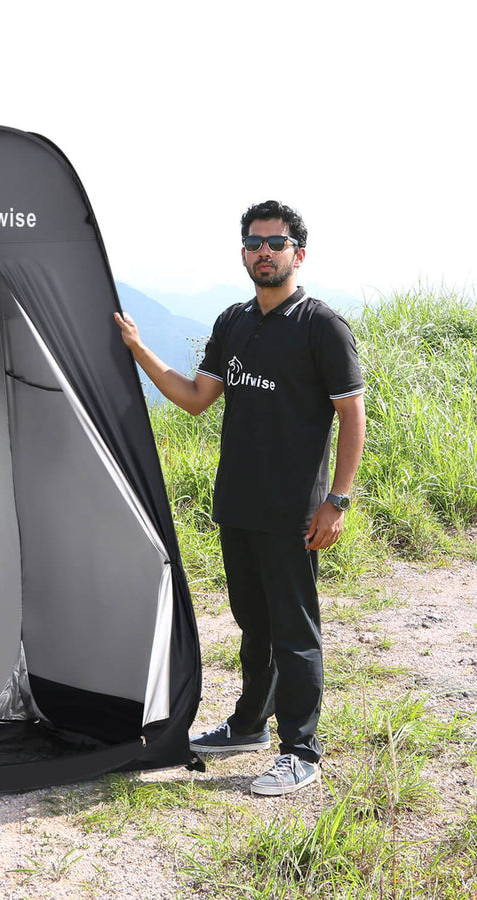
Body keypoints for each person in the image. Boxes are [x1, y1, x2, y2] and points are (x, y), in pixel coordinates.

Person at [114, 200, 366, 796]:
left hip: (294, 511)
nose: (263, 252)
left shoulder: (320, 327)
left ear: (297, 254)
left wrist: (338, 500)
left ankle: (301, 750)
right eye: (253, 243)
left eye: (275, 244)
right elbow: (198, 397)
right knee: (253, 623)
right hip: (239, 502)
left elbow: (352, 415)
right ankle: (250, 724)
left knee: (294, 630)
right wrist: (138, 349)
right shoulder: (233, 321)